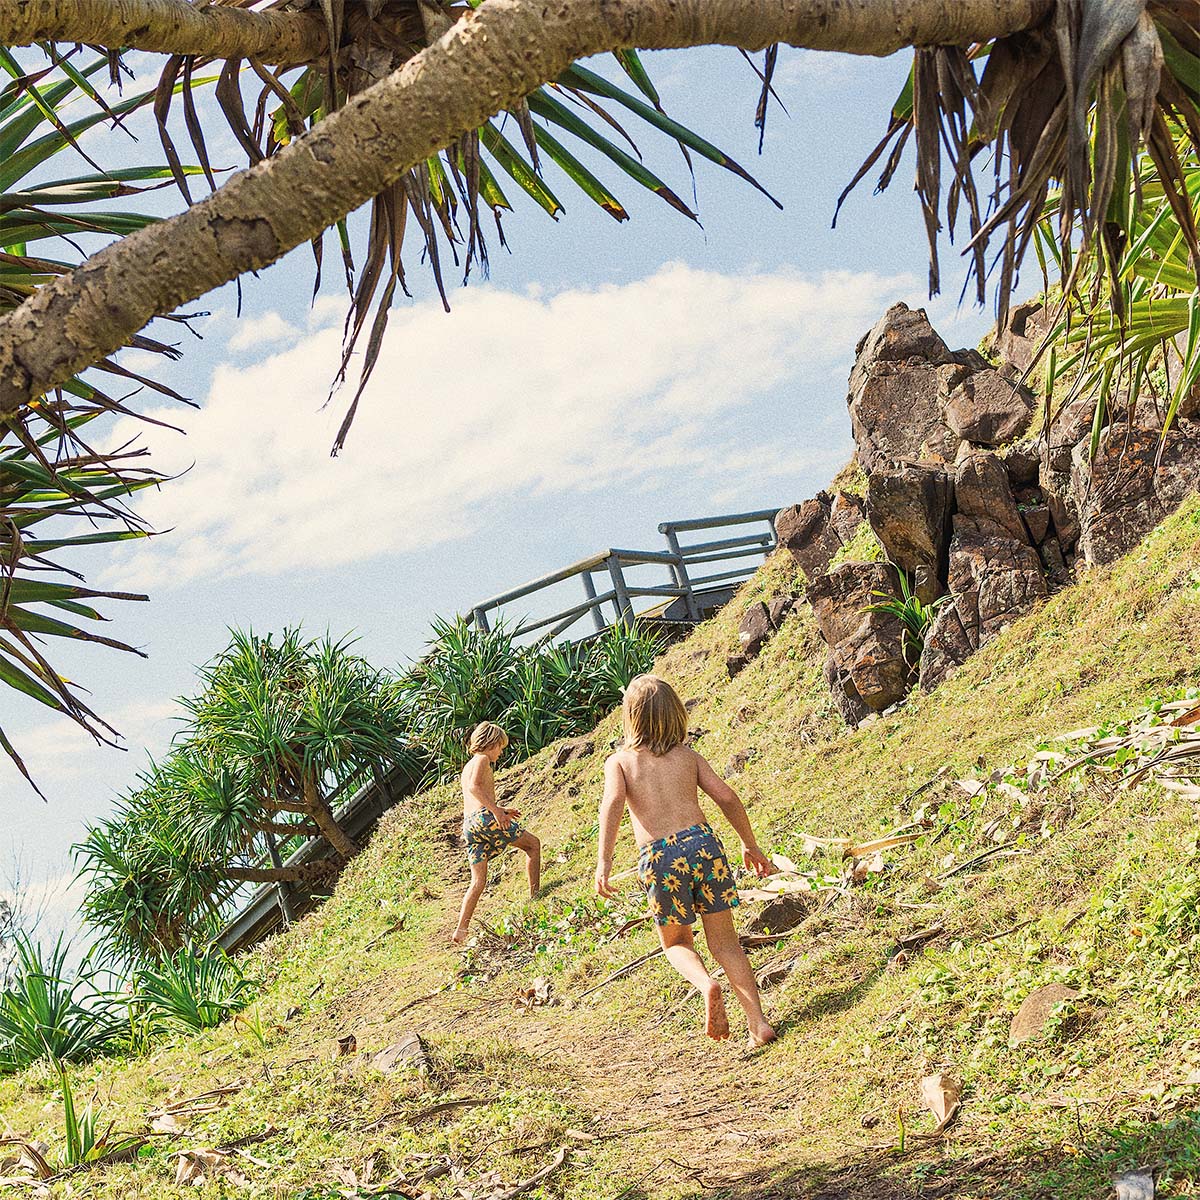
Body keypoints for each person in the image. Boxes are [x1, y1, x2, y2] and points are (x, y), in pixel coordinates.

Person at [595, 675, 776, 1047]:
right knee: (726, 942)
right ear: (676, 713)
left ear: (629, 717)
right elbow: (725, 796)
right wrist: (749, 844)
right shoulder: (687, 756)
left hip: (660, 857)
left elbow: (612, 804)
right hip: (704, 845)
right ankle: (757, 1023)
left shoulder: (621, 762)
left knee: (676, 943)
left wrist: (604, 863)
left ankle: (705, 983)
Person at [452, 721, 541, 944]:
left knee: (478, 881)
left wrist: (499, 809)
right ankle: (535, 896)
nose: (500, 752)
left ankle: (461, 930)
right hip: (484, 818)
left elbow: (473, 794)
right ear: (490, 743)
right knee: (533, 845)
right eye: (500, 747)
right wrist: (496, 812)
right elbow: (475, 788)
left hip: (470, 826)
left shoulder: (468, 765)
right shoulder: (482, 759)